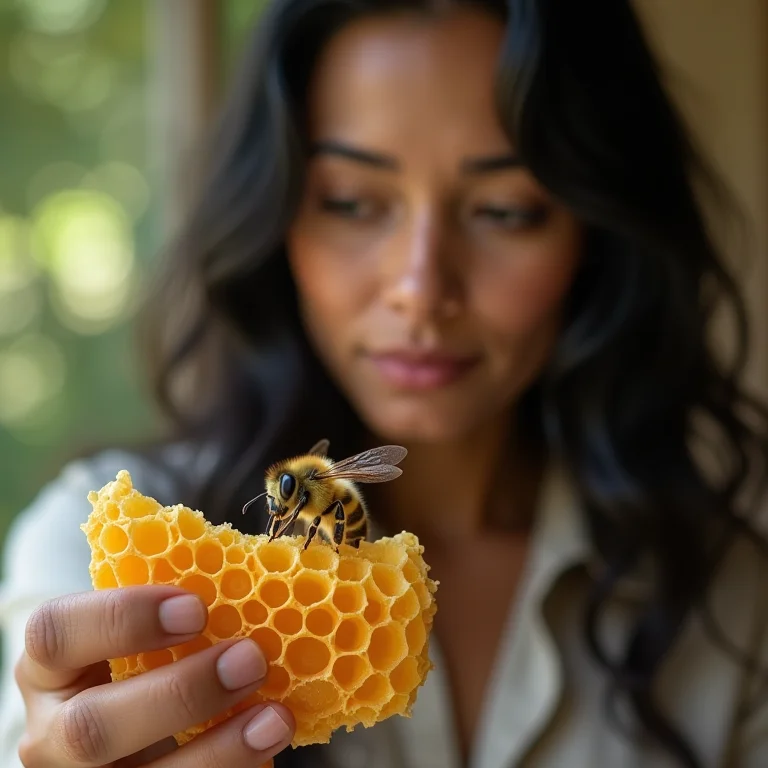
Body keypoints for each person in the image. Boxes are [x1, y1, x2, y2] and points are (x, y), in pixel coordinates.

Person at [2, 0, 768, 766]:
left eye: (504, 211)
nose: (419, 287)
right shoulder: (95, 561)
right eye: (352, 202)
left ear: (597, 236)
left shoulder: (732, 602)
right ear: (275, 219)